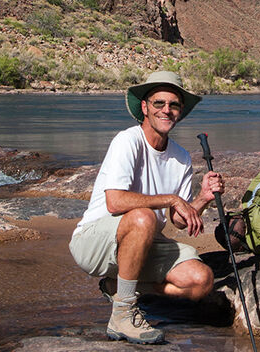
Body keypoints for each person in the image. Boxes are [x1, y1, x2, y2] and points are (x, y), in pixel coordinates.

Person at [69, 71, 225, 345]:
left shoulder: (181, 156)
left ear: (180, 111)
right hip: (95, 242)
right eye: (159, 103)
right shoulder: (127, 141)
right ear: (145, 107)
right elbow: (115, 201)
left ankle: (118, 287)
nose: (167, 110)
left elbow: (178, 221)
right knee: (143, 217)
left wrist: (201, 199)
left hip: (145, 240)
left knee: (200, 281)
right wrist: (170, 198)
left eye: (174, 105)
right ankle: (123, 314)